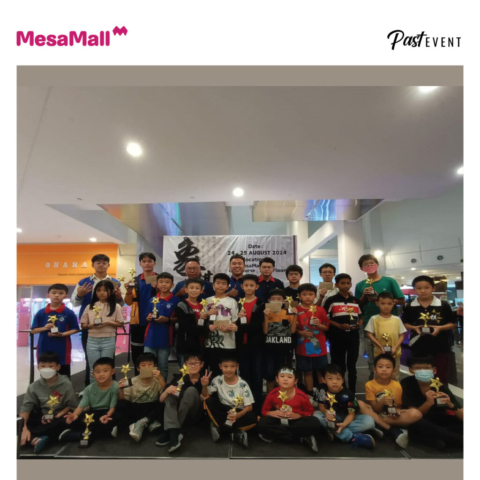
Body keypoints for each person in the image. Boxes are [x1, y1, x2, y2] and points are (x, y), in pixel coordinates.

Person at [71, 254, 124, 386]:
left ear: (108, 265)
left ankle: (110, 389)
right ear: (93, 265)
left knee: (108, 362)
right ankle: (90, 389)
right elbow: (74, 303)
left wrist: (119, 297)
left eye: (104, 263)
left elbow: (120, 304)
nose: (101, 265)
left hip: (108, 331)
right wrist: (79, 295)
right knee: (91, 361)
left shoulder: (115, 282)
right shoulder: (83, 282)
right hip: (90, 328)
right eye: (98, 263)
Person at [354, 254, 405, 380]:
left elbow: (402, 300)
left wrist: (380, 300)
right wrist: (364, 296)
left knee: (391, 356)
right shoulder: (360, 285)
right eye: (366, 265)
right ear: (361, 268)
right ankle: (374, 383)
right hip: (368, 324)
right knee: (372, 358)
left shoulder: (389, 281)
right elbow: (357, 306)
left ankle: (393, 384)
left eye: (372, 263)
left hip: (390, 324)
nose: (369, 266)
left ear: (377, 264)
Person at [19, 352, 78, 454]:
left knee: (69, 422)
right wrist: (23, 428)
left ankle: (32, 438)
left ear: (57, 367)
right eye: (43, 366)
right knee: (18, 421)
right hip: (42, 417)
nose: (46, 369)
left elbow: (72, 405)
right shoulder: (34, 387)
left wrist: (58, 415)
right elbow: (26, 408)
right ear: (38, 367)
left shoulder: (66, 384)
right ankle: (37, 438)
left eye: (50, 366)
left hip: (60, 416)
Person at [402, 275, 456, 383]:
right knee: (420, 374)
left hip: (440, 345)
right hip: (418, 345)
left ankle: (440, 393)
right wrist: (414, 327)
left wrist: (440, 328)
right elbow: (405, 323)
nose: (423, 291)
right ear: (414, 289)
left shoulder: (443, 305)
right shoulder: (410, 306)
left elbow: (453, 324)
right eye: (419, 288)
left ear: (433, 288)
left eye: (426, 287)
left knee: (440, 374)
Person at [401, 355, 463, 449]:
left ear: (434, 370)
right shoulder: (407, 383)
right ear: (411, 370)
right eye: (418, 368)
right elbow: (413, 415)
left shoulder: (439, 385)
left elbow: (461, 413)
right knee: (419, 424)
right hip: (420, 419)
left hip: (438, 418)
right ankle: (457, 440)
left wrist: (451, 405)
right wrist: (428, 403)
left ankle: (442, 439)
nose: (423, 371)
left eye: (426, 368)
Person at [363, 354, 422, 448]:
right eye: (380, 367)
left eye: (388, 367)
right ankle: (392, 429)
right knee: (360, 405)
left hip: (389, 417)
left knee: (416, 413)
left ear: (394, 371)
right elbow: (375, 410)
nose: (384, 370)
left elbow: (398, 406)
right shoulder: (369, 385)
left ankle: (380, 424)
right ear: (375, 370)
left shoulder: (397, 385)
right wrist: (382, 401)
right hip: (376, 414)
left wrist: (396, 411)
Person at [257, 366, 320, 452]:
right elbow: (264, 411)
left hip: (295, 422)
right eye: (282, 376)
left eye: (289, 377)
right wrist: (271, 413)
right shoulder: (272, 394)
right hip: (279, 420)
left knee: (314, 422)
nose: (285, 379)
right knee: (262, 423)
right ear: (277, 379)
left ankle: (277, 435)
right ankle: (300, 439)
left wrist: (298, 415)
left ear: (295, 381)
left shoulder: (302, 396)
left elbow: (310, 411)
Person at [314, 364, 376, 449]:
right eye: (330, 378)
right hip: (332, 417)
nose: (334, 382)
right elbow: (321, 406)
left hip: (347, 418)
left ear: (342, 380)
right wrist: (326, 412)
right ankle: (352, 437)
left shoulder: (348, 394)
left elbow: (351, 414)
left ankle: (334, 432)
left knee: (369, 421)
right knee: (316, 415)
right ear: (324, 380)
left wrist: (344, 424)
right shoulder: (321, 389)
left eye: (338, 379)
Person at [59, 357, 119, 444]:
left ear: (112, 372)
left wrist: (106, 415)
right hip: (93, 412)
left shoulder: (115, 386)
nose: (101, 374)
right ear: (93, 374)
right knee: (74, 421)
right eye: (98, 372)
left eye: (105, 371)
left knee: (113, 420)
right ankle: (96, 432)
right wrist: (74, 415)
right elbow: (81, 406)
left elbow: (112, 407)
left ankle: (77, 434)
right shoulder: (89, 389)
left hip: (108, 413)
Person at [156, 352, 207, 452]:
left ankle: (171, 431)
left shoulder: (205, 378)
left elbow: (207, 399)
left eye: (196, 363)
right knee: (170, 395)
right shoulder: (179, 378)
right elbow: (161, 400)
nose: (193, 366)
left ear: (202, 364)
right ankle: (174, 432)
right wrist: (166, 391)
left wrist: (205, 386)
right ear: (185, 365)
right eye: (190, 363)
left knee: (191, 391)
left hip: (194, 414)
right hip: (178, 412)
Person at [203, 355, 257, 448]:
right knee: (208, 401)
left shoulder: (243, 384)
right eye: (225, 366)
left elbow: (249, 407)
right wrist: (204, 385)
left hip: (238, 412)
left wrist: (237, 415)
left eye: (232, 366)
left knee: (254, 418)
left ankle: (222, 429)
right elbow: (205, 395)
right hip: (224, 410)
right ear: (220, 367)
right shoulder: (217, 380)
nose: (229, 370)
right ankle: (235, 433)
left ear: (237, 366)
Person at [323, 273, 363, 393]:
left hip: (353, 336)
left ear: (351, 284)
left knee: (352, 365)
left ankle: (352, 392)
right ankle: (340, 390)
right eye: (342, 283)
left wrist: (359, 324)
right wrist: (339, 325)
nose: (345, 285)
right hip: (336, 336)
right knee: (338, 364)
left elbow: (361, 316)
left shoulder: (356, 301)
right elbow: (325, 318)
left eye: (348, 283)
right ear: (336, 285)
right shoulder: (331, 300)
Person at [80, 280, 126, 384]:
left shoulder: (116, 306)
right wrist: (90, 325)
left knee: (107, 368)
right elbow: (83, 325)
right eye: (98, 290)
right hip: (92, 340)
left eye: (105, 290)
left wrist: (108, 322)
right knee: (93, 369)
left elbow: (120, 323)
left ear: (111, 291)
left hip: (109, 340)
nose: (101, 293)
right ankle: (94, 390)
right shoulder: (90, 306)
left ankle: (108, 390)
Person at [31, 284, 80, 377]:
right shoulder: (41, 312)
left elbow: (75, 329)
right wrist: (45, 328)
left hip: (63, 348)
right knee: (46, 373)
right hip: (44, 347)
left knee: (64, 375)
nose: (57, 295)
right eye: (54, 293)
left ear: (66, 296)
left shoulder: (69, 313)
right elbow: (33, 330)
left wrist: (63, 334)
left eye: (61, 293)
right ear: (48, 295)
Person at [115, 352, 166, 442]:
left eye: (150, 365)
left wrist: (161, 378)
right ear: (138, 368)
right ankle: (149, 422)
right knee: (121, 404)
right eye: (143, 365)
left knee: (165, 401)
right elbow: (123, 401)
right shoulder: (131, 381)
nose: (147, 367)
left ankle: (143, 422)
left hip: (152, 408)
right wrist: (121, 390)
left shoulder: (158, 380)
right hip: (136, 409)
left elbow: (165, 394)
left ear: (155, 366)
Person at [124, 252, 159, 375]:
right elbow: (128, 302)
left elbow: (166, 298)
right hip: (137, 322)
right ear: (140, 264)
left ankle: (153, 381)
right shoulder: (135, 280)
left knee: (153, 355)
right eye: (144, 261)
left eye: (150, 261)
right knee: (137, 355)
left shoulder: (161, 279)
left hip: (156, 322)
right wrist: (128, 292)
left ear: (154, 263)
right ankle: (138, 379)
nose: (147, 263)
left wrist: (158, 288)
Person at [237, 274, 265, 414]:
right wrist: (237, 320)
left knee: (257, 375)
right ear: (242, 287)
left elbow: (258, 326)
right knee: (244, 374)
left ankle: (257, 407)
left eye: (251, 285)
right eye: (246, 285)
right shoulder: (238, 303)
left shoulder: (261, 304)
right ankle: (245, 405)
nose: (248, 288)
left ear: (256, 287)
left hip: (256, 345)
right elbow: (234, 324)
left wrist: (241, 326)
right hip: (242, 345)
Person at [144, 272, 180, 381]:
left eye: (167, 282)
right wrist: (149, 317)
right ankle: (148, 388)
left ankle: (162, 388)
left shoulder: (176, 301)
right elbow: (147, 315)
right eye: (161, 282)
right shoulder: (152, 299)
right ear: (157, 284)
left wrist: (167, 319)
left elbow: (178, 319)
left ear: (172, 285)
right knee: (147, 366)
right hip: (150, 338)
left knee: (163, 366)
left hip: (165, 338)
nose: (164, 284)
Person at [295, 283, 330, 397]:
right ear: (299, 296)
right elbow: (292, 328)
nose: (307, 297)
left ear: (315, 296)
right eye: (304, 294)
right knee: (307, 371)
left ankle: (322, 395)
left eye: (310, 294)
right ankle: (309, 394)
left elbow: (326, 327)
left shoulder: (320, 310)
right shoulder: (295, 310)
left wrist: (319, 325)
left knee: (321, 371)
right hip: (302, 347)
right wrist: (301, 333)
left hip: (320, 346)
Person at [364, 292, 406, 380]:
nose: (386, 306)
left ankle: (394, 389)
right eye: (383, 303)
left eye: (389, 304)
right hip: (380, 352)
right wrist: (379, 346)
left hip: (395, 353)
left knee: (394, 376)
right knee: (379, 376)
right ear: (377, 303)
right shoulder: (374, 319)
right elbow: (369, 333)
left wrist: (395, 347)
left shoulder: (397, 319)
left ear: (393, 304)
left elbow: (402, 335)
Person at [204, 273, 239, 377]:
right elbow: (202, 320)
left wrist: (230, 328)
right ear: (213, 285)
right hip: (211, 343)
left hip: (228, 343)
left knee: (228, 372)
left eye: (224, 284)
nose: (220, 286)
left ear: (228, 286)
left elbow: (234, 321)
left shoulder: (232, 302)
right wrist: (207, 314)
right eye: (218, 283)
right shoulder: (207, 301)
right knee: (213, 371)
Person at [263, 288, 297, 392]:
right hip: (269, 348)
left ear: (283, 301)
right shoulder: (267, 313)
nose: (276, 301)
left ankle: (283, 395)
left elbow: (293, 331)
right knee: (270, 373)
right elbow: (265, 331)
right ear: (269, 300)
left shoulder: (288, 312)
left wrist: (295, 315)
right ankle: (271, 395)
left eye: (279, 299)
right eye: (273, 299)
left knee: (283, 373)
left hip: (284, 349)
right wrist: (265, 317)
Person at [175, 278, 209, 366]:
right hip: (186, 345)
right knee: (186, 371)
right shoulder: (181, 305)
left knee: (198, 370)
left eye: (197, 288)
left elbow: (205, 327)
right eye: (191, 288)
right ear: (186, 289)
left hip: (200, 344)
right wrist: (202, 320)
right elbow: (187, 328)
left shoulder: (202, 306)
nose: (194, 290)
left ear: (201, 291)